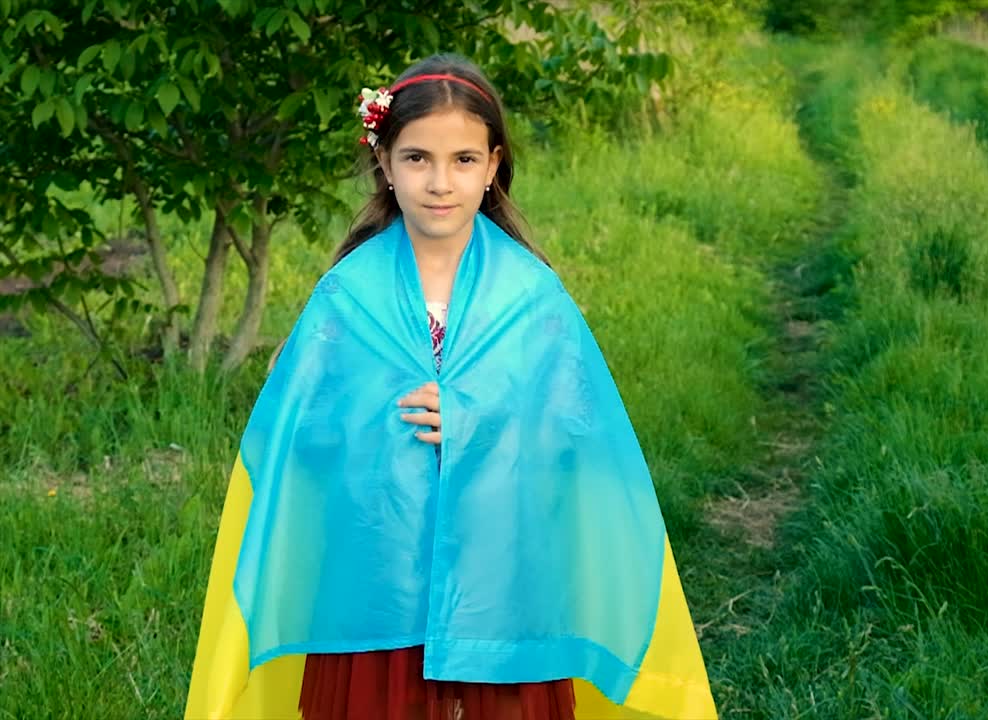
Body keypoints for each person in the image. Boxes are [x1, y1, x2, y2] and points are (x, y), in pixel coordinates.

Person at [185, 55, 718, 720]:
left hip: (505, 580)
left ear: (493, 165)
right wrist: (310, 394)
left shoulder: (531, 297)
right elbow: (305, 450)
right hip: (377, 590)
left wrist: (481, 422)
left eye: (464, 160)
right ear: (384, 162)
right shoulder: (347, 297)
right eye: (416, 159)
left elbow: (579, 438)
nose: (440, 182)